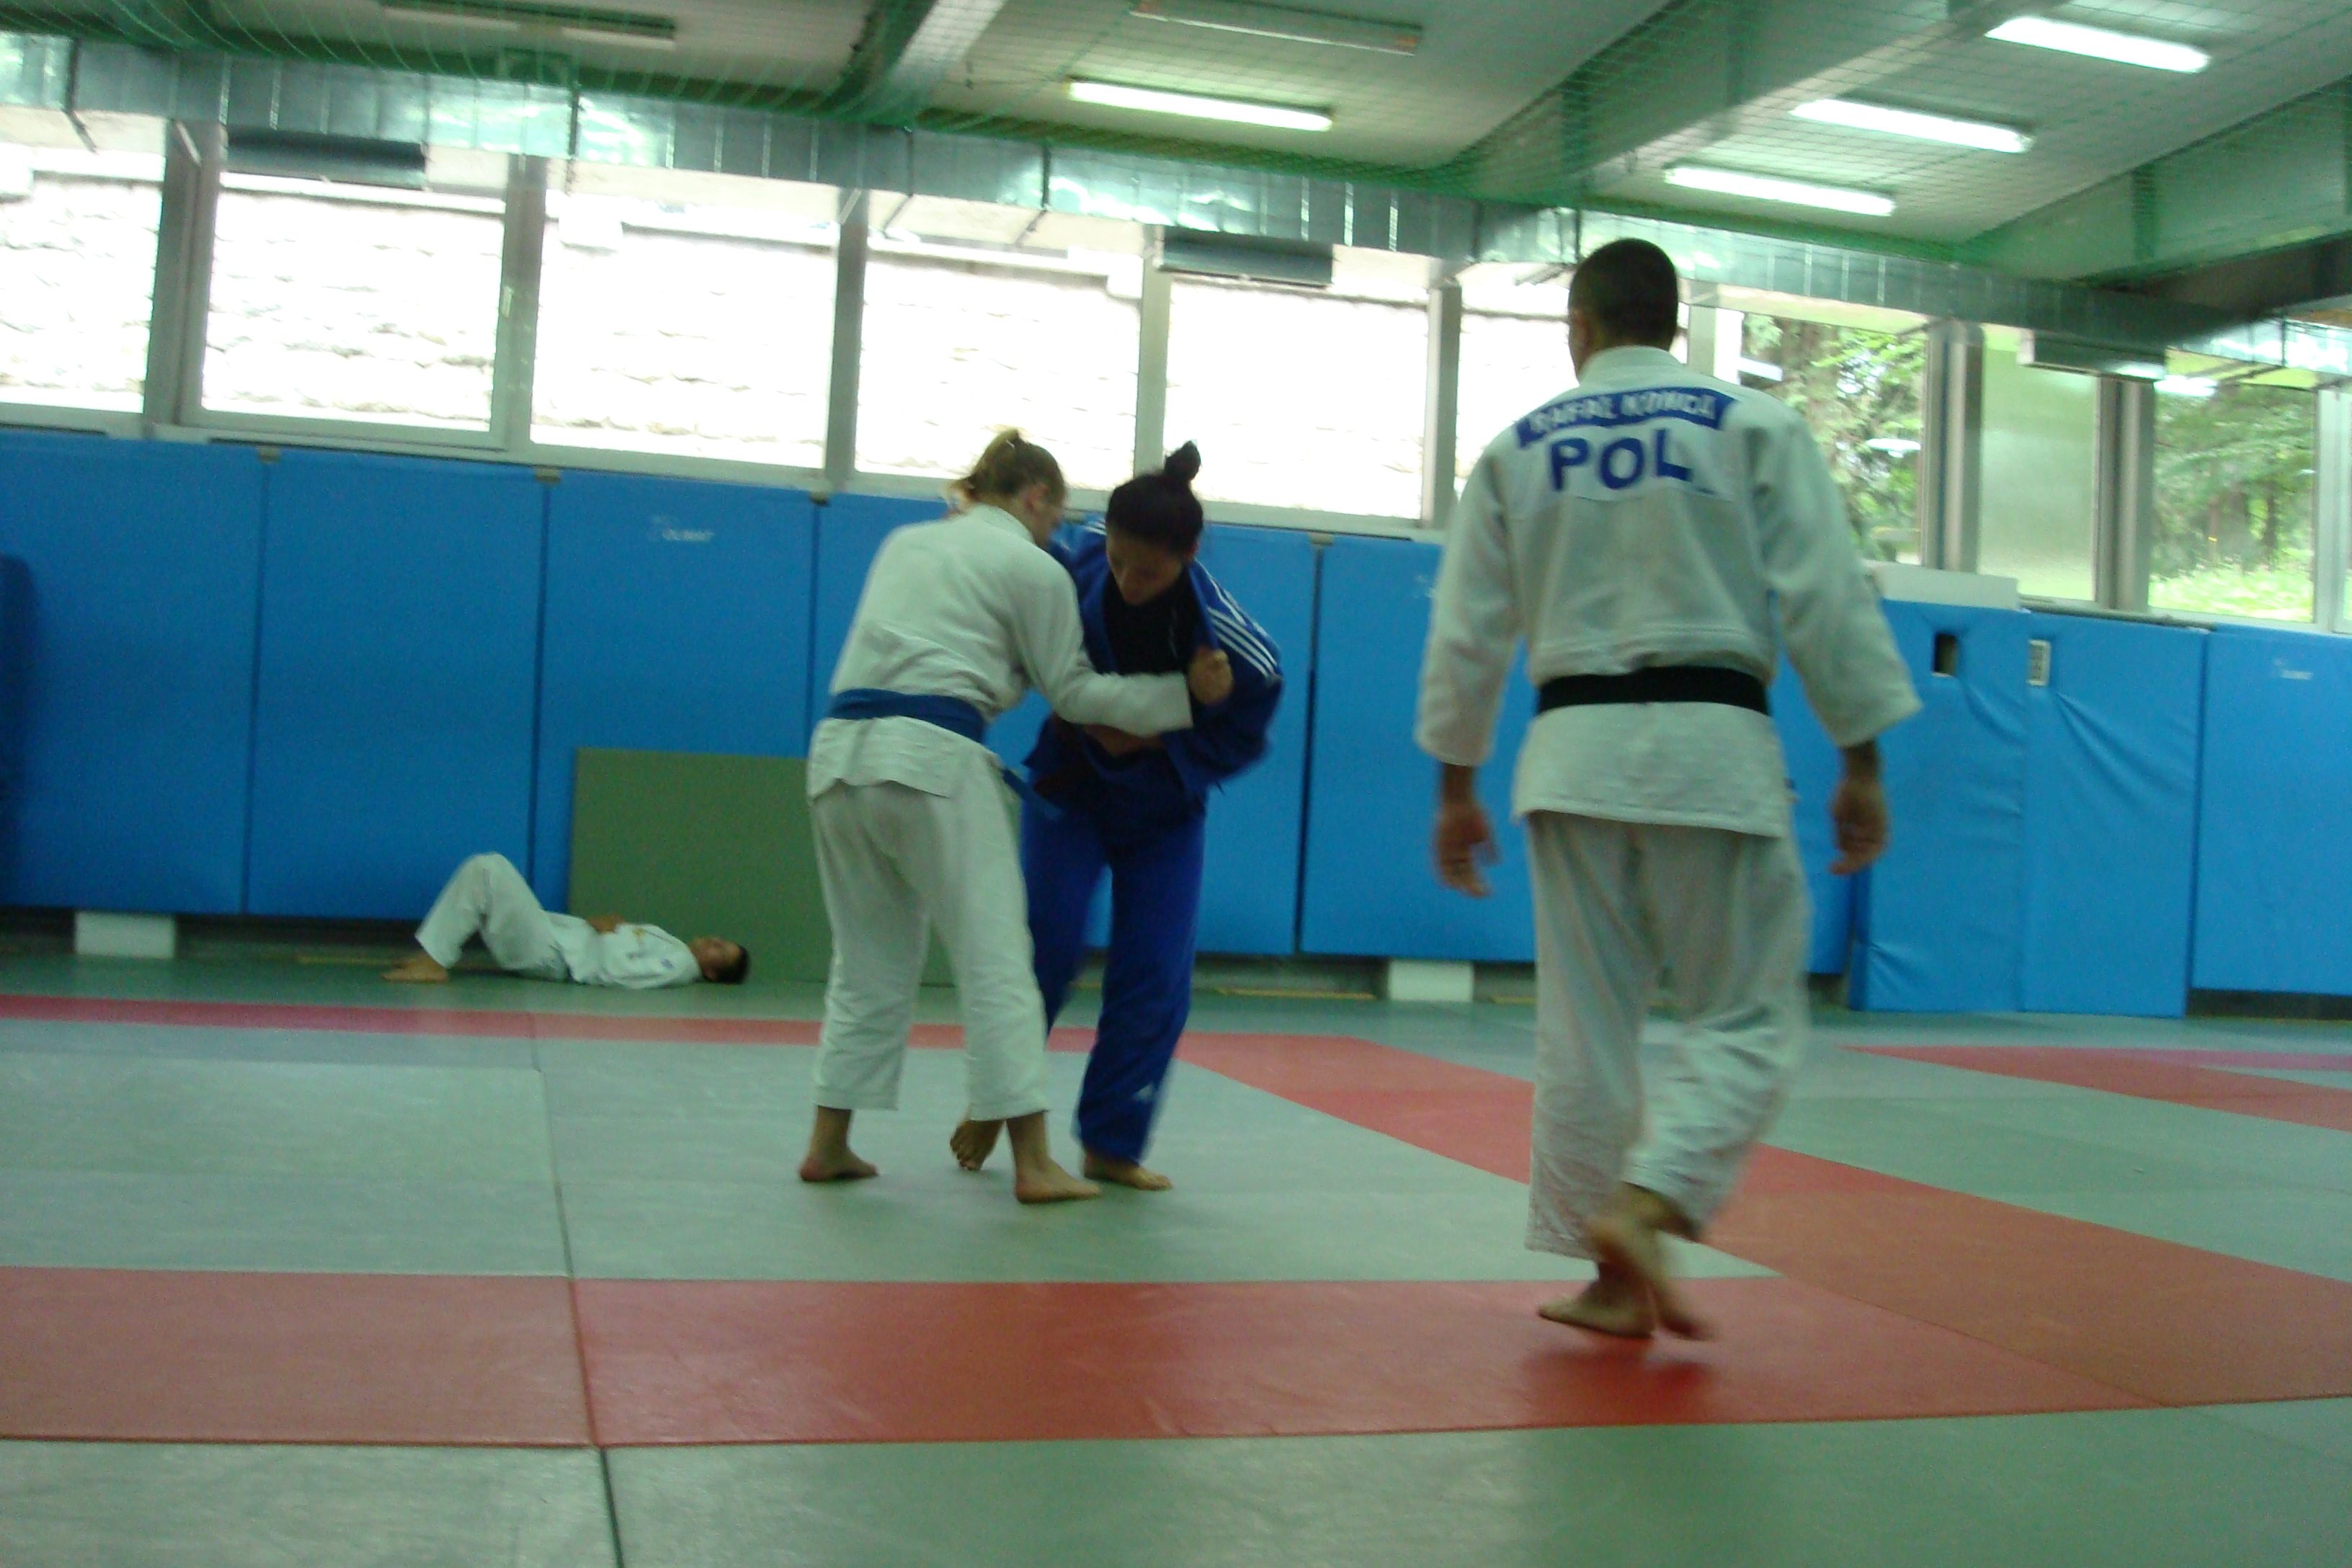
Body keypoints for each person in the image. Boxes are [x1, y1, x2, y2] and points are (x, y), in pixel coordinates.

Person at [1416, 239, 1920, 1339]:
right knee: (1747, 1012)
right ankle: (1648, 1205)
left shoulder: (1517, 448)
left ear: (1581, 329)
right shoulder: (1752, 426)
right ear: (1674, 325)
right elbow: (1828, 598)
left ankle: (1606, 1276)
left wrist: (1456, 781)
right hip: (1711, 750)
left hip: (1570, 758)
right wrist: (1862, 760)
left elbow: (1467, 630)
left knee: (1584, 1033)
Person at [802, 429, 1234, 1205]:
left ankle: (828, 1144)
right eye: (1055, 517)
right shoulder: (1034, 568)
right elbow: (1075, 693)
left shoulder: (906, 543)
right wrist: (1182, 698)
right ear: (1036, 497)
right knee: (1000, 960)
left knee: (865, 961)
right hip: (932, 758)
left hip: (837, 757)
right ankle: (1035, 1163)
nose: (1055, 533)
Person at [950, 444, 1281, 1191]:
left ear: (1189, 558)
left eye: (1149, 572)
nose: (1129, 581)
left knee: (1155, 971)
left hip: (1163, 811)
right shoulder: (1082, 560)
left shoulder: (1237, 648)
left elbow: (1243, 737)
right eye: (1120, 563)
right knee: (1044, 945)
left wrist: (1160, 736)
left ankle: (1112, 1140)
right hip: (1071, 788)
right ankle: (997, 1100)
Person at [383, 852, 748, 987]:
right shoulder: (674, 945)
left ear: (713, 974)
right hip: (554, 937)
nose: (713, 941)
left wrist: (607, 934)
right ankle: (432, 955)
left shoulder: (679, 965)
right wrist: (611, 925)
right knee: (485, 872)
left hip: (553, 957)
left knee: (488, 869)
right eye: (720, 939)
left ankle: (434, 961)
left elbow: (620, 973)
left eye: (720, 951)